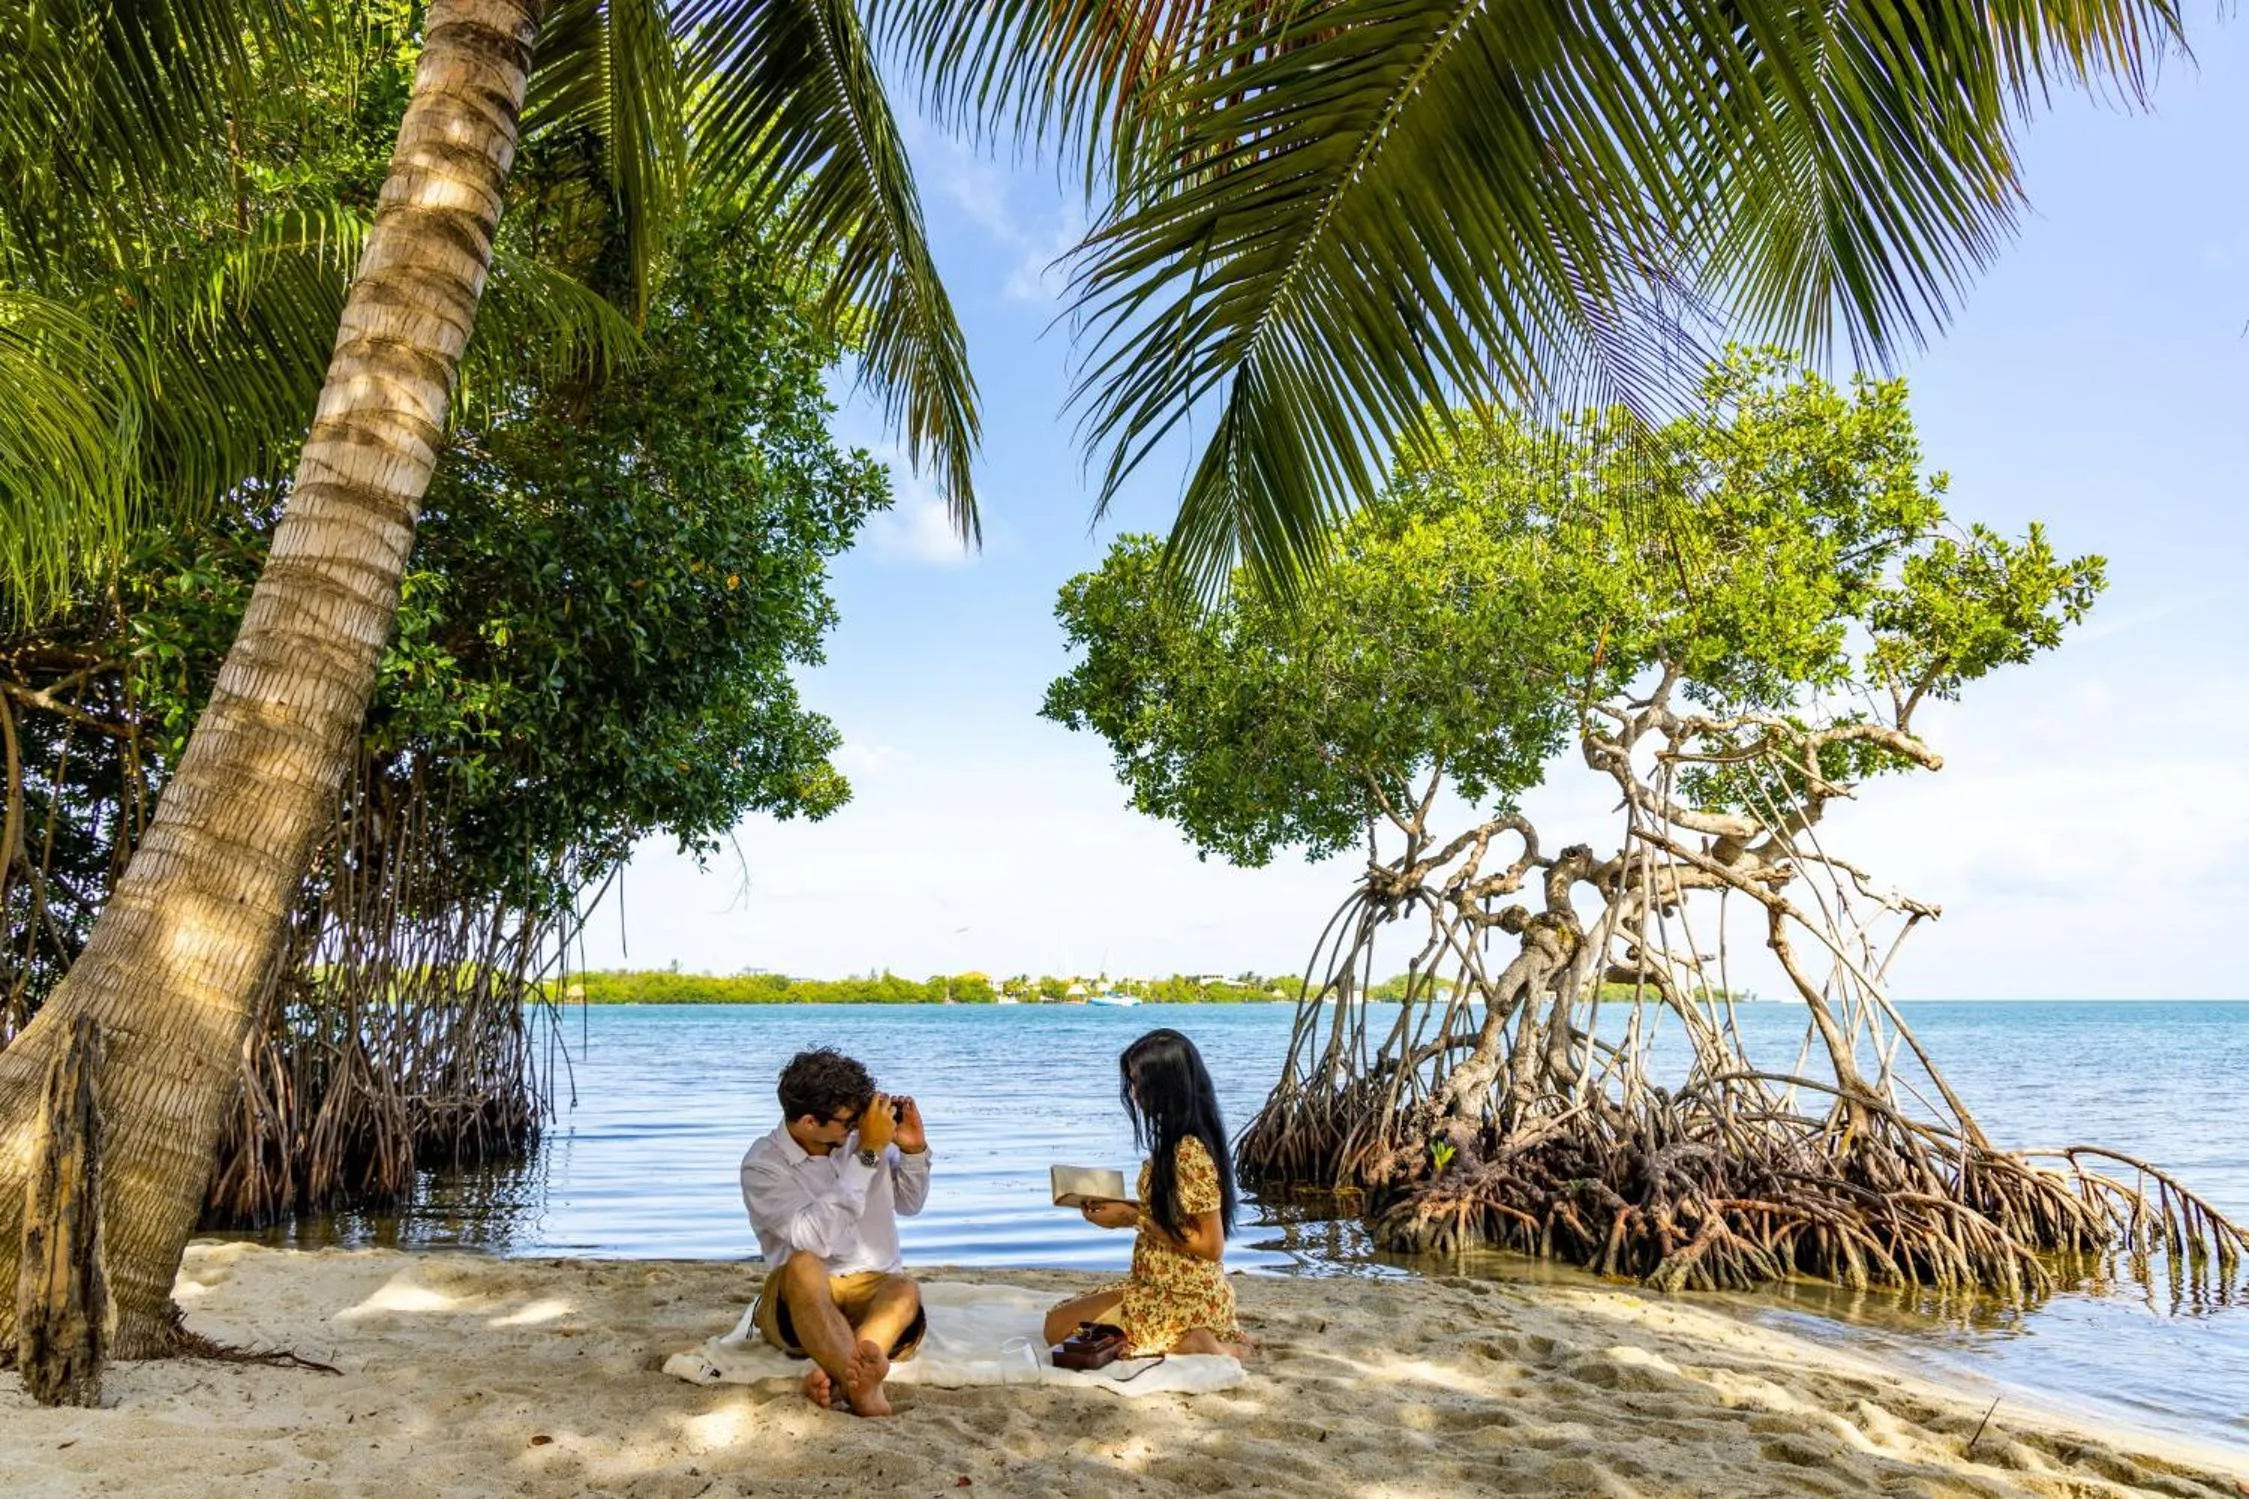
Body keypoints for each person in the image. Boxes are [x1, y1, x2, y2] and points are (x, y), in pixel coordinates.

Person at [739, 1047, 931, 1416]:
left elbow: (910, 1203)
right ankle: (859, 1386)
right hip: (802, 1300)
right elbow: (816, 1238)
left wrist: (913, 1150)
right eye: (848, 1121)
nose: (858, 1127)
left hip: (873, 1293)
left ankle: (842, 1378)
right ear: (810, 1122)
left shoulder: (864, 1138)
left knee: (904, 1287)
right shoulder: (763, 1165)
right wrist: (870, 1154)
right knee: (804, 1264)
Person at [1043, 1028, 1253, 1360]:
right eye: (1133, 1083)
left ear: (1167, 1087)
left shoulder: (1188, 1150)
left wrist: (1132, 1218)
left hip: (1181, 1294)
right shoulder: (1184, 1140)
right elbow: (1177, 1214)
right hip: (1166, 1287)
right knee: (1063, 1315)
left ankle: (1197, 1341)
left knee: (1055, 1328)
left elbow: (1211, 1246)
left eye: (1141, 1083)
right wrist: (1124, 1210)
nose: (1136, 1094)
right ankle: (1194, 1334)